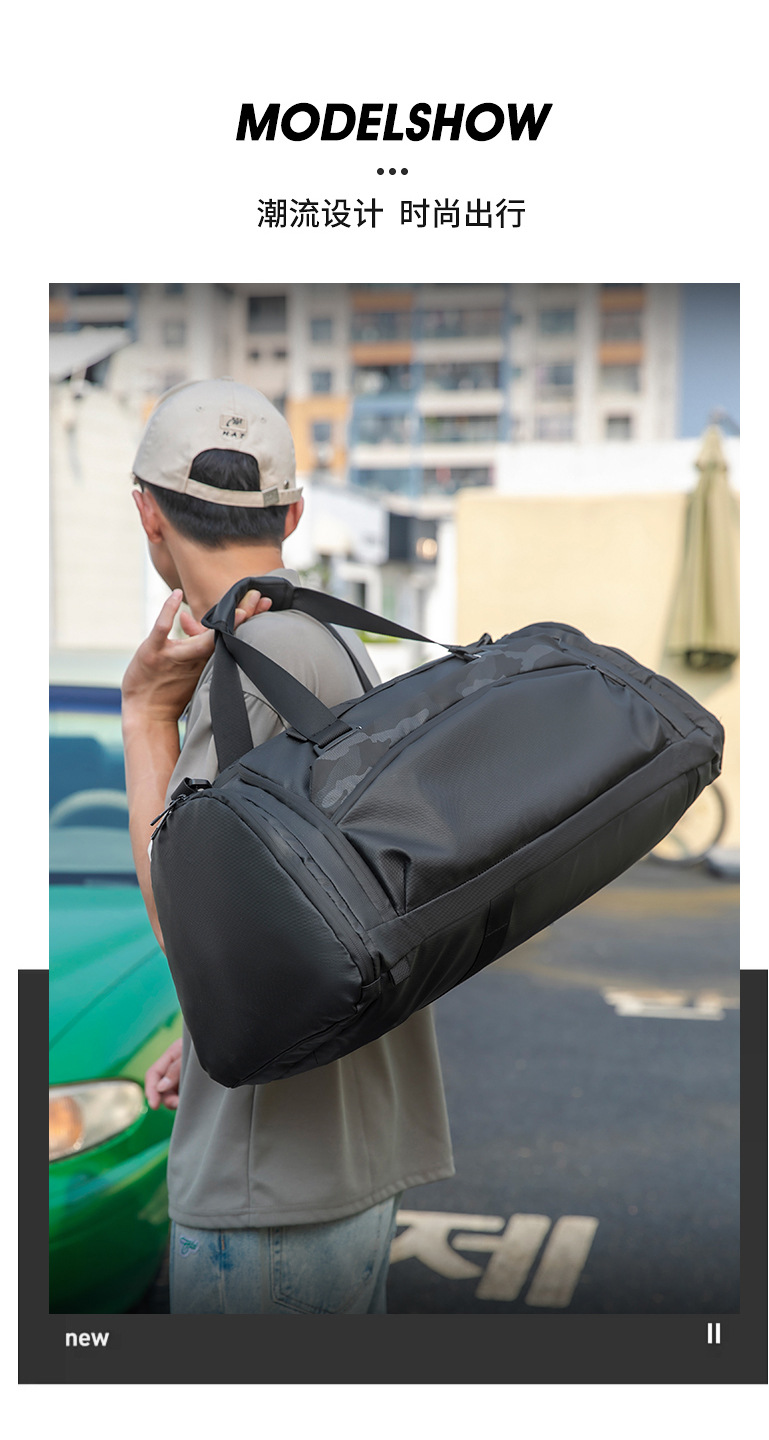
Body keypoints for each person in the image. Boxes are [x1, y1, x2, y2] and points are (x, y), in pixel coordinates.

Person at [121, 378, 454, 1314]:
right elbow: (301, 915)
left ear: (148, 513)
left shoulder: (249, 663)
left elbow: (190, 930)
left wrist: (144, 715)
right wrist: (205, 1039)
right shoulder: (330, 643)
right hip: (345, 1151)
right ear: (293, 514)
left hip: (267, 1184)